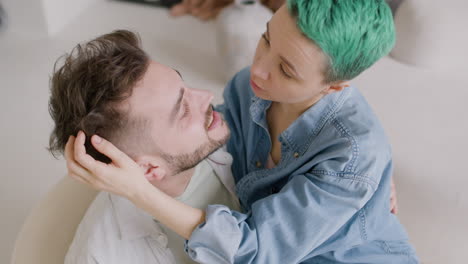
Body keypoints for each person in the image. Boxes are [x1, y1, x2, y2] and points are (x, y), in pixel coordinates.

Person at [65, 1, 418, 263]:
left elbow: (256, 250)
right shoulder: (250, 89)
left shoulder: (353, 159)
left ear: (335, 87)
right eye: (266, 39)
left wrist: (141, 190)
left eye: (285, 69)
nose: (259, 70)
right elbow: (201, 130)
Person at [48, 30, 240, 264]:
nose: (208, 96)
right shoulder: (101, 256)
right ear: (148, 169)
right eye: (184, 111)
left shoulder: (244, 137)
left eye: (185, 86)